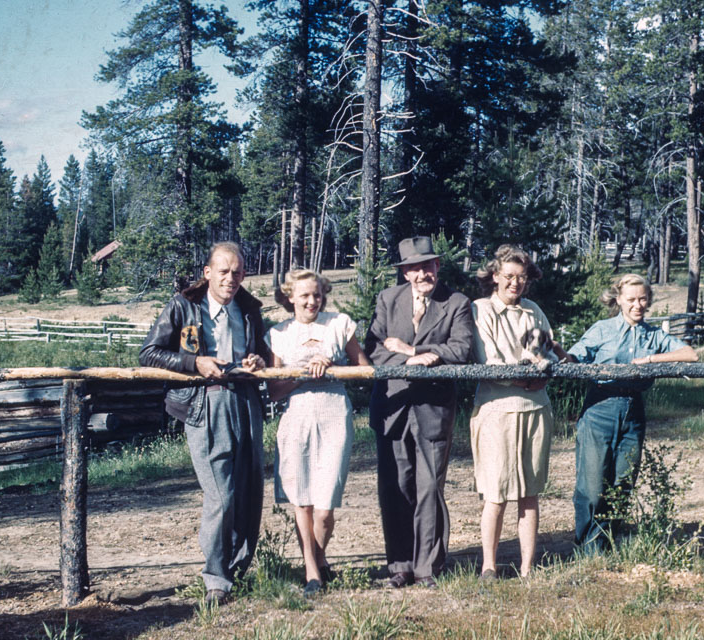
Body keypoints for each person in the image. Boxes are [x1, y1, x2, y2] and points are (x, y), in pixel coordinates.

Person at [139, 242, 269, 605]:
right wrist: (193, 364)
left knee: (249, 493)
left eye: (238, 272)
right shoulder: (183, 306)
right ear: (208, 273)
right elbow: (149, 352)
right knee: (221, 495)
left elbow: (266, 354)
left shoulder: (249, 309)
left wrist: (259, 360)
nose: (231, 278)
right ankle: (215, 579)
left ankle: (238, 571)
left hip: (247, 402)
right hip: (206, 403)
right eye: (224, 271)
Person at [365, 236, 474, 589]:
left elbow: (461, 349)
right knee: (395, 487)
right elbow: (373, 350)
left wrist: (412, 347)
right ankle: (400, 564)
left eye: (428, 265)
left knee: (430, 488)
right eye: (415, 267)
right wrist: (409, 359)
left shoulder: (456, 302)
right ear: (405, 272)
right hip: (393, 406)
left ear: (438, 267)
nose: (422, 273)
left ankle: (428, 567)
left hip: (433, 408)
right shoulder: (387, 299)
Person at [567, 273, 698, 552]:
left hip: (633, 412)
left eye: (642, 299)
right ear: (618, 300)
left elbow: (690, 354)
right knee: (591, 486)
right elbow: (574, 357)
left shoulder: (653, 335)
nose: (637, 305)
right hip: (599, 409)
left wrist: (651, 359)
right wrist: (554, 352)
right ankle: (587, 550)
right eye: (631, 299)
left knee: (622, 483)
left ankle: (607, 543)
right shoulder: (602, 330)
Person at [266, 269, 370, 597]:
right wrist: (301, 374)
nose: (312, 301)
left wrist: (334, 362)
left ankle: (320, 557)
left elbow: (364, 370)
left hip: (334, 414)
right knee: (303, 500)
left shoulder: (338, 324)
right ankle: (313, 571)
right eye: (304, 295)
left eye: (317, 294)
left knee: (325, 506)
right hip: (297, 417)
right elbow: (273, 391)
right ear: (290, 298)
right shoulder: (279, 334)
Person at [470, 245, 570, 579]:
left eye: (521, 277)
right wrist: (524, 376)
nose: (515, 283)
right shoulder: (480, 310)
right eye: (509, 276)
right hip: (496, 410)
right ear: (495, 276)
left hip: (535, 407)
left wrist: (540, 372)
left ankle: (528, 567)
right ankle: (489, 566)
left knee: (529, 491)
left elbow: (550, 354)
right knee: (496, 492)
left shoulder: (533, 311)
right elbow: (489, 363)